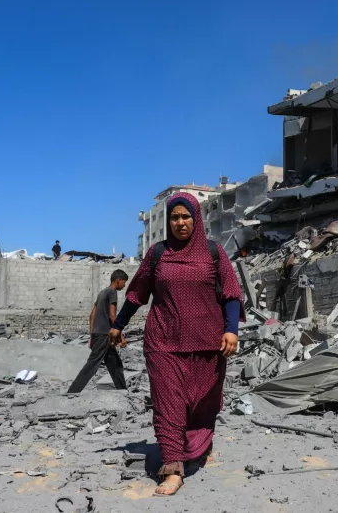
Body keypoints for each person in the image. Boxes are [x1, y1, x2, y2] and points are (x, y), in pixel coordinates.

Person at [110, 192, 243, 496]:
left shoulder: (213, 253)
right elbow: (136, 294)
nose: (180, 223)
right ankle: (173, 468)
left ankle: (199, 446)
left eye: (186, 217)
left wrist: (231, 330)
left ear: (196, 219)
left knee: (202, 403)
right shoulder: (158, 253)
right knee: (169, 405)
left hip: (207, 344)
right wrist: (118, 325)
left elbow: (231, 294)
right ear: (169, 221)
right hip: (163, 342)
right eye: (175, 217)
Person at [66, 269, 129, 393]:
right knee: (93, 363)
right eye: (124, 282)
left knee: (115, 363)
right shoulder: (112, 292)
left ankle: (123, 391)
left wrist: (92, 335)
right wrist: (121, 337)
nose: (125, 285)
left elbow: (92, 315)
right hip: (105, 334)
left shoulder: (102, 292)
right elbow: (112, 316)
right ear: (118, 281)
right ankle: (72, 392)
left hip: (99, 334)